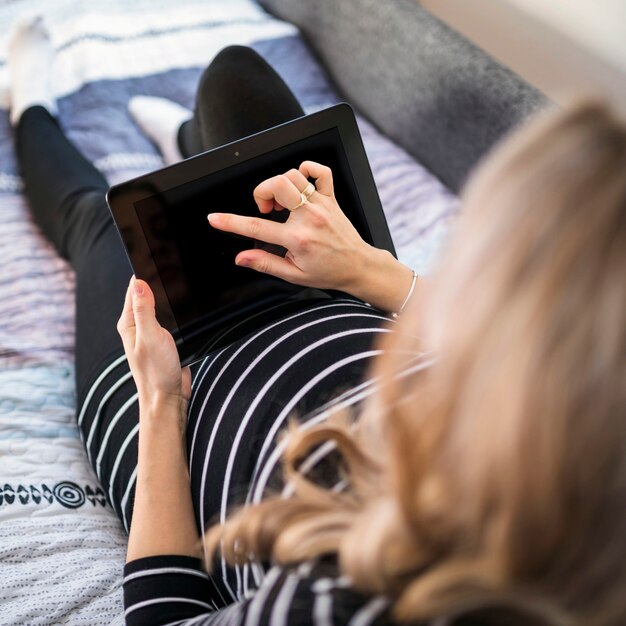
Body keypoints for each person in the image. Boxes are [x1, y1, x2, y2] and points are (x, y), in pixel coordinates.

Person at [7, 15, 626, 626]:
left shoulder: (351, 599)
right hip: (329, 294)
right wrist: (366, 269)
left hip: (182, 388)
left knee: (97, 223)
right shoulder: (582, 425)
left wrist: (160, 401)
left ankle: (26, 104)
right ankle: (193, 157)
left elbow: (164, 614)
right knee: (236, 80)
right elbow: (486, 334)